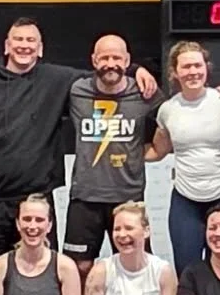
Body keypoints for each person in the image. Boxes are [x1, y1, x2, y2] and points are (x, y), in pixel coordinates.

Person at [0, 16, 157, 256]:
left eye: (30, 40)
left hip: (38, 198)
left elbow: (106, 71)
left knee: (44, 266)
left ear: (40, 49)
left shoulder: (57, 79)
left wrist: (136, 69)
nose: (24, 45)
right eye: (18, 39)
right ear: (7, 46)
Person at [63, 35, 162, 274]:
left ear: (127, 60)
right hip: (85, 195)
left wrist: (154, 151)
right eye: (104, 58)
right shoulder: (76, 90)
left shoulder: (144, 91)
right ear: (94, 60)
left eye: (117, 58)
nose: (110, 63)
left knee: (137, 264)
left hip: (129, 196)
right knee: (79, 267)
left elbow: (172, 119)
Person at [149, 40, 220, 272]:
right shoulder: (167, 110)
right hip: (185, 199)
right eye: (186, 67)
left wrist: (215, 164)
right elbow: (157, 151)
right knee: (186, 270)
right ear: (174, 72)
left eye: (198, 65)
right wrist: (120, 154)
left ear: (206, 67)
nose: (193, 72)